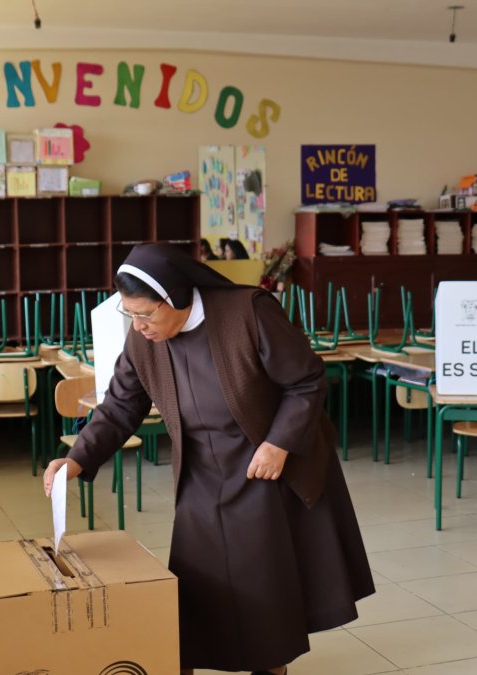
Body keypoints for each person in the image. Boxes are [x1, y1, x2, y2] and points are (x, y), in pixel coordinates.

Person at [44, 244, 374, 675]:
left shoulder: (248, 313)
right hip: (200, 473)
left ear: (177, 296)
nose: (139, 326)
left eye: (146, 314)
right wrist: (77, 459)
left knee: (262, 586)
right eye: (131, 315)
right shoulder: (146, 340)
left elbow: (306, 380)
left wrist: (279, 443)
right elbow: (121, 405)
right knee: (196, 587)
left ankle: (270, 667)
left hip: (261, 467)